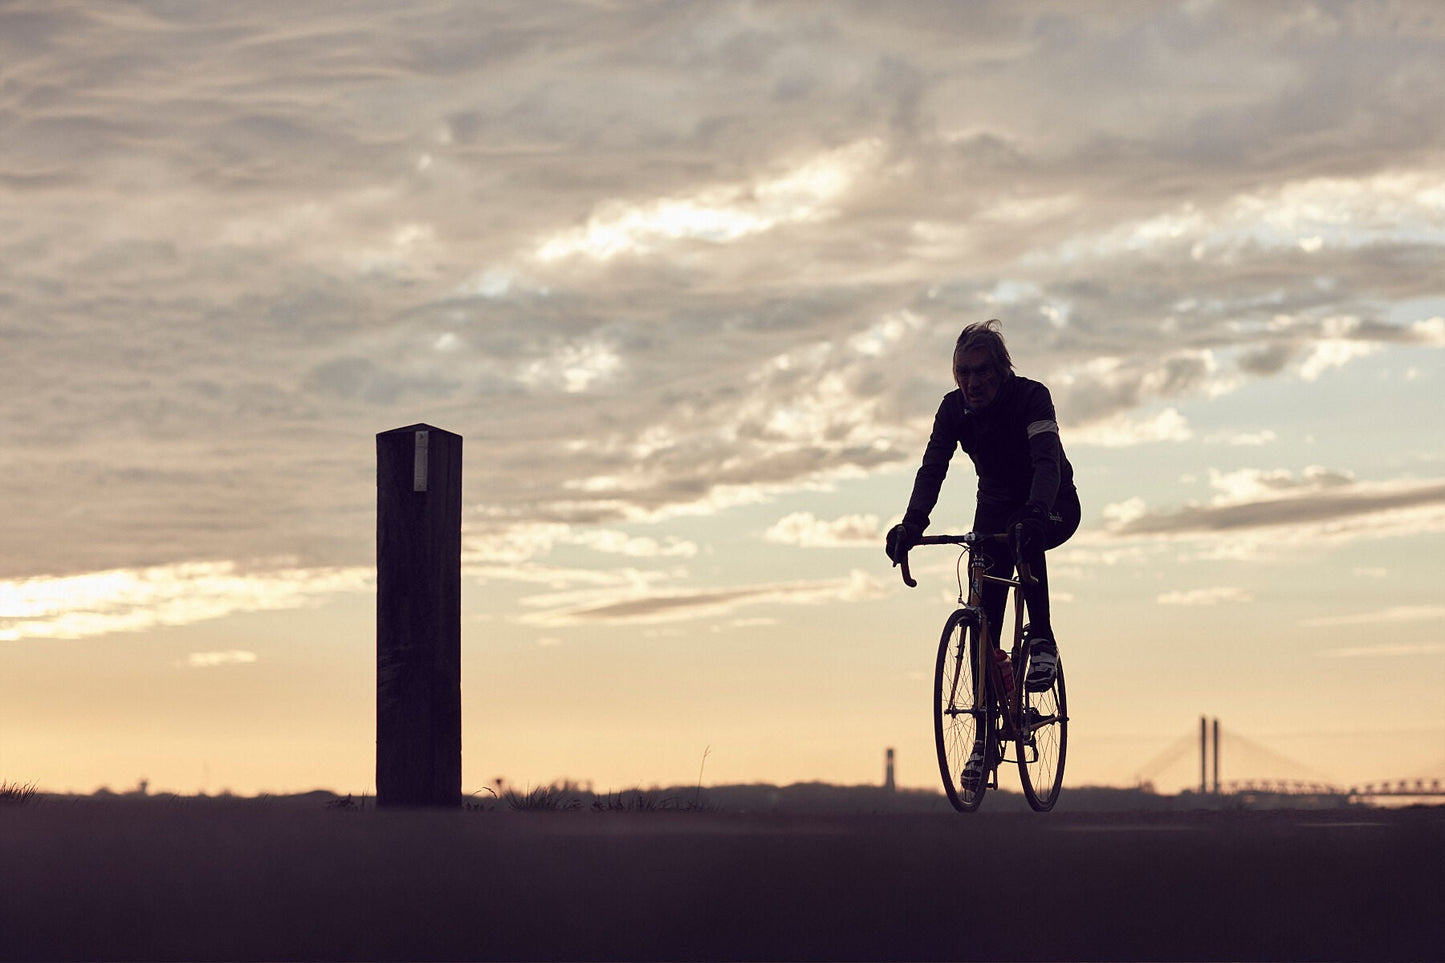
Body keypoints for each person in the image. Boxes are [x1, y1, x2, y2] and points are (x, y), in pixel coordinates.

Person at [885, 319, 1080, 695]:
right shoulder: (953, 409)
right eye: (963, 372)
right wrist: (911, 525)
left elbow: (1046, 463)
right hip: (993, 507)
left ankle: (1042, 639)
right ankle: (985, 737)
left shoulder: (1032, 397)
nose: (971, 383)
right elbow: (932, 469)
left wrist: (1038, 510)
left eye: (981, 372)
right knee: (984, 626)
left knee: (1023, 532)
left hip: (1053, 501)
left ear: (1002, 372)